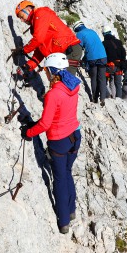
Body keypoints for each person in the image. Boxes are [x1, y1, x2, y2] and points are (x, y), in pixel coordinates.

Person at [21, 53, 82, 234]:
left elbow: (46, 123)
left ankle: (64, 222)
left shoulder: (53, 94)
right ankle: (71, 211)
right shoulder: (73, 85)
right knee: (68, 172)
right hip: (75, 136)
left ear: (52, 71)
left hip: (60, 141)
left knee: (60, 179)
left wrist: (29, 132)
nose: (45, 73)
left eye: (46, 70)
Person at [14, 0, 83, 75]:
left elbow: (38, 39)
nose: (21, 20)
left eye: (22, 16)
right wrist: (28, 66)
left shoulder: (40, 14)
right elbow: (41, 50)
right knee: (59, 82)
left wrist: (24, 50)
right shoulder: (35, 26)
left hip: (68, 49)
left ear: (28, 10)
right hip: (62, 52)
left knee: (65, 82)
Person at [72, 21, 108, 105]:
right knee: (102, 78)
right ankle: (102, 99)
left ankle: (95, 98)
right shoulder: (92, 31)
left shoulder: (79, 34)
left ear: (76, 28)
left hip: (92, 58)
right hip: (103, 56)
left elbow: (79, 49)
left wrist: (77, 59)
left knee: (94, 77)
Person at [101, 25, 126, 98]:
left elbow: (104, 55)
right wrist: (122, 63)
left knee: (103, 81)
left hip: (109, 66)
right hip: (119, 66)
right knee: (118, 84)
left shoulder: (104, 43)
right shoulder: (119, 42)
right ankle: (119, 100)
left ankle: (107, 96)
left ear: (104, 34)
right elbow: (123, 53)